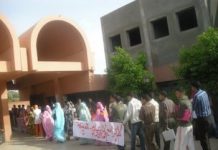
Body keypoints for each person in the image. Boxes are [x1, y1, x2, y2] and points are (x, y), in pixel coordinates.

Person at [191, 81, 213, 150]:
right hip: (209, 117)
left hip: (201, 119)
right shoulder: (204, 92)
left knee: (203, 139)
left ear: (194, 87)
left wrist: (191, 101)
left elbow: (193, 108)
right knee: (206, 137)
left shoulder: (196, 96)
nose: (191, 88)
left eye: (191, 87)